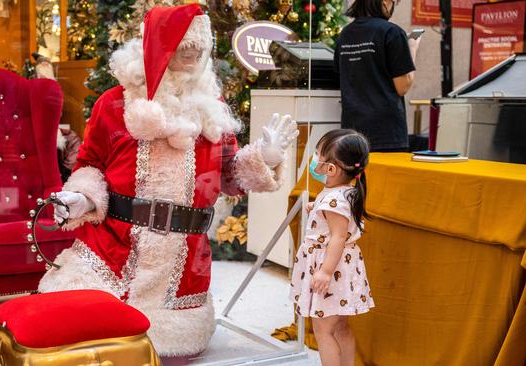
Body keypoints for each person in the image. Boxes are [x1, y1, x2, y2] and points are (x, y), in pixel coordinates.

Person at [37, 4, 299, 358]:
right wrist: (83, 198)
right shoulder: (114, 104)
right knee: (86, 335)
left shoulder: (211, 108)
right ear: (160, 45)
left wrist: (264, 158)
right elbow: (91, 163)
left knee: (169, 350)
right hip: (114, 247)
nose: (193, 52)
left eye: (199, 46)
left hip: (184, 260)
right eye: (183, 44)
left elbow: (229, 174)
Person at [290, 129, 374, 366]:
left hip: (332, 269)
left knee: (323, 329)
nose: (315, 158)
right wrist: (317, 207)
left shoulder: (333, 201)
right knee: (340, 326)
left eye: (318, 154)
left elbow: (337, 237)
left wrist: (325, 271)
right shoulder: (346, 191)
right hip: (344, 268)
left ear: (331, 169)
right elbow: (338, 219)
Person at [334, 0, 421, 152]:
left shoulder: (345, 34)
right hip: (386, 134)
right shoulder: (392, 32)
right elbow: (403, 86)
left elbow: (341, 75)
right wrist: (412, 49)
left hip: (351, 133)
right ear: (386, 2)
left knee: (358, 175)